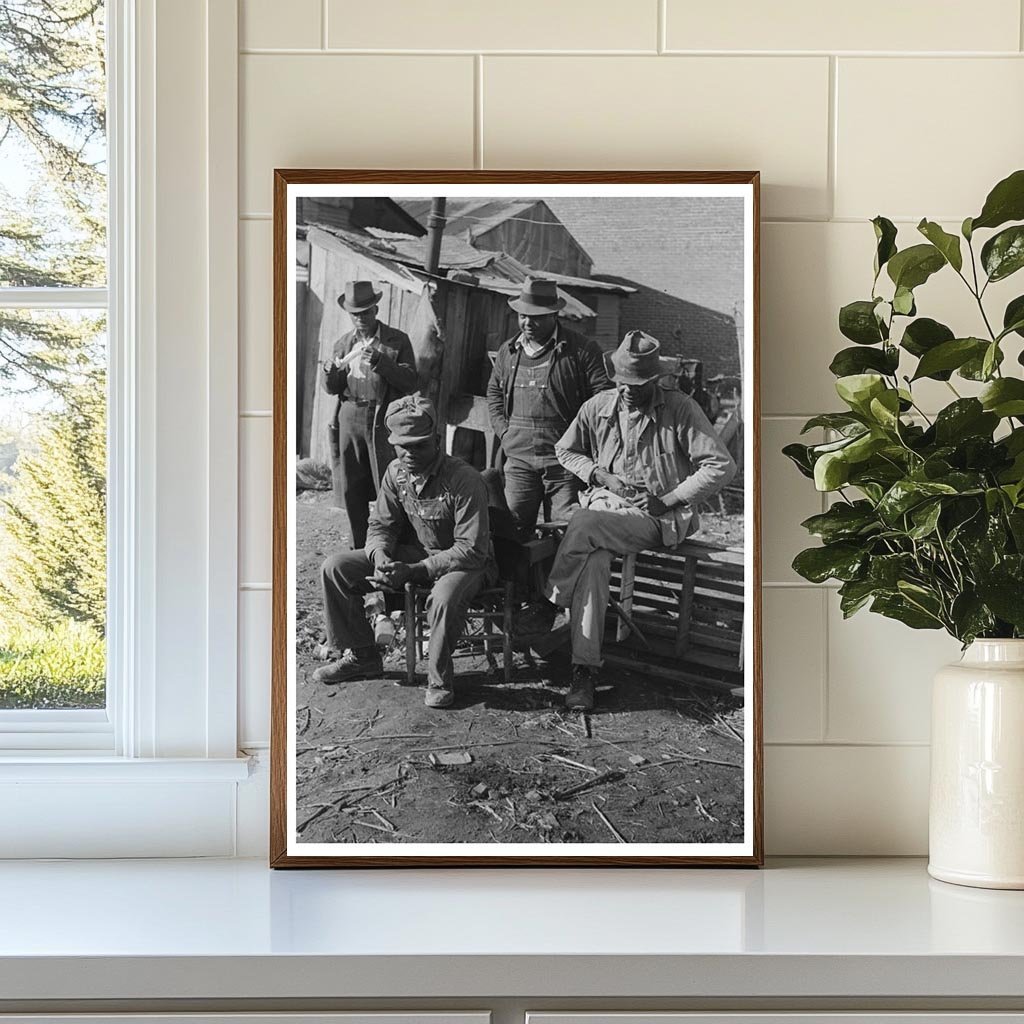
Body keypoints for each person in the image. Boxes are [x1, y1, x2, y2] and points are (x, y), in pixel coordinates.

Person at [517, 330, 736, 712]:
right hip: (605, 510)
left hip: (656, 518)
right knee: (594, 563)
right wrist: (600, 476)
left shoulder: (680, 409)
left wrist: (668, 498)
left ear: (656, 380)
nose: (629, 391)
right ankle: (584, 673)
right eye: (622, 383)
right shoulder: (599, 405)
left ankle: (550, 603)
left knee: (583, 523)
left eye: (639, 384)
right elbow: (565, 451)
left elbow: (722, 465)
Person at [313, 395, 496, 709]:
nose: (410, 453)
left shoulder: (464, 479)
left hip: (468, 564)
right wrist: (380, 555)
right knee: (335, 567)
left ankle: (440, 679)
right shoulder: (396, 473)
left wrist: (415, 570)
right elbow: (381, 524)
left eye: (419, 445)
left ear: (436, 441)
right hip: (421, 553)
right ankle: (362, 656)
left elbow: (470, 549)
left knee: (442, 597)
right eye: (403, 446)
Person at [486, 277, 610, 534]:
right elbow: (494, 393)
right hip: (518, 459)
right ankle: (521, 576)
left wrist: (581, 440)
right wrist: (504, 432)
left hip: (565, 462)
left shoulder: (582, 350)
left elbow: (604, 397)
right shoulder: (508, 351)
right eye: (522, 316)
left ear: (555, 314)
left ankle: (557, 576)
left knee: (566, 530)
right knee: (513, 530)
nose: (527, 323)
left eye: (536, 317)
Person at [323, 280, 418, 549]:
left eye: (365, 312)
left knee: (390, 486)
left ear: (376, 309)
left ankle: (395, 548)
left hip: (383, 419)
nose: (361, 318)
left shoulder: (396, 341)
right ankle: (359, 550)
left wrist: (381, 362)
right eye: (355, 314)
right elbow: (332, 389)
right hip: (350, 416)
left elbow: (411, 382)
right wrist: (330, 373)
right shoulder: (343, 344)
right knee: (353, 490)